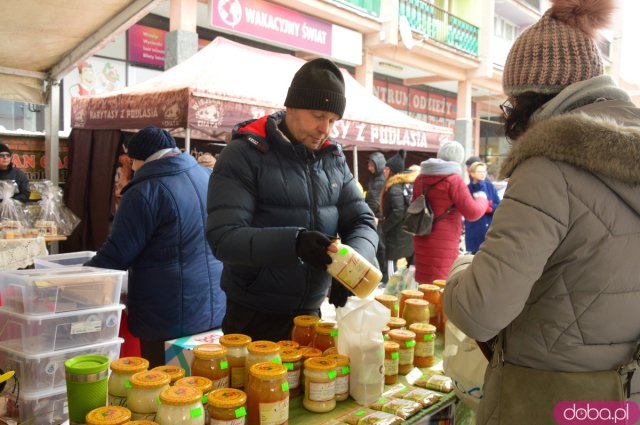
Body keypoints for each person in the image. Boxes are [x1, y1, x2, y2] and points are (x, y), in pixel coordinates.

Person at [443, 1, 640, 423]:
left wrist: (460, 268)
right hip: (619, 403)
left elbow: (481, 311)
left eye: (512, 103)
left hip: (547, 400)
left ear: (533, 100)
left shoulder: (549, 167)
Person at [206, 58, 378, 341]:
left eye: (333, 120)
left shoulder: (333, 159)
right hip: (254, 316)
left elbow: (361, 220)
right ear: (291, 107)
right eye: (318, 115)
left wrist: (351, 267)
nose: (325, 129)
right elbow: (223, 238)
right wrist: (295, 243)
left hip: (311, 313)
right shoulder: (244, 155)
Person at [86, 127, 225, 367]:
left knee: (164, 389)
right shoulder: (207, 177)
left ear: (136, 159)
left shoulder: (144, 191)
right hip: (212, 305)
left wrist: (79, 277)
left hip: (167, 314)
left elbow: (118, 253)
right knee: (204, 383)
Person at [412, 141, 488, 285]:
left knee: (424, 286)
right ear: (459, 159)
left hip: (422, 236)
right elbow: (472, 212)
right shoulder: (454, 181)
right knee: (441, 287)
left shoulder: (420, 179)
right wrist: (482, 199)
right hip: (444, 243)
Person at [379, 150, 416, 279]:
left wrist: (384, 227)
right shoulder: (405, 184)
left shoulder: (395, 187)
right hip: (406, 230)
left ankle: (390, 287)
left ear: (392, 171)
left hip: (396, 232)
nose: (384, 171)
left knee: (390, 259)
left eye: (386, 169)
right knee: (408, 259)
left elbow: (397, 211)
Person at [464, 161, 501, 253]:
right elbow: (466, 207)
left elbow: (498, 204)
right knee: (475, 254)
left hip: (489, 225)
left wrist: (489, 208)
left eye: (484, 171)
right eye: (479, 171)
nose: (482, 174)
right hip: (474, 226)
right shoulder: (467, 189)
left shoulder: (490, 186)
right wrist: (480, 206)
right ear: (472, 173)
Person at [364, 151, 387, 281]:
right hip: (373, 216)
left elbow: (377, 201)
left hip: (377, 218)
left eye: (372, 166)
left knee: (380, 247)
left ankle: (382, 275)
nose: (369, 168)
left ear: (378, 165)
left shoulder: (380, 181)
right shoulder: (374, 179)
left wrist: (373, 213)